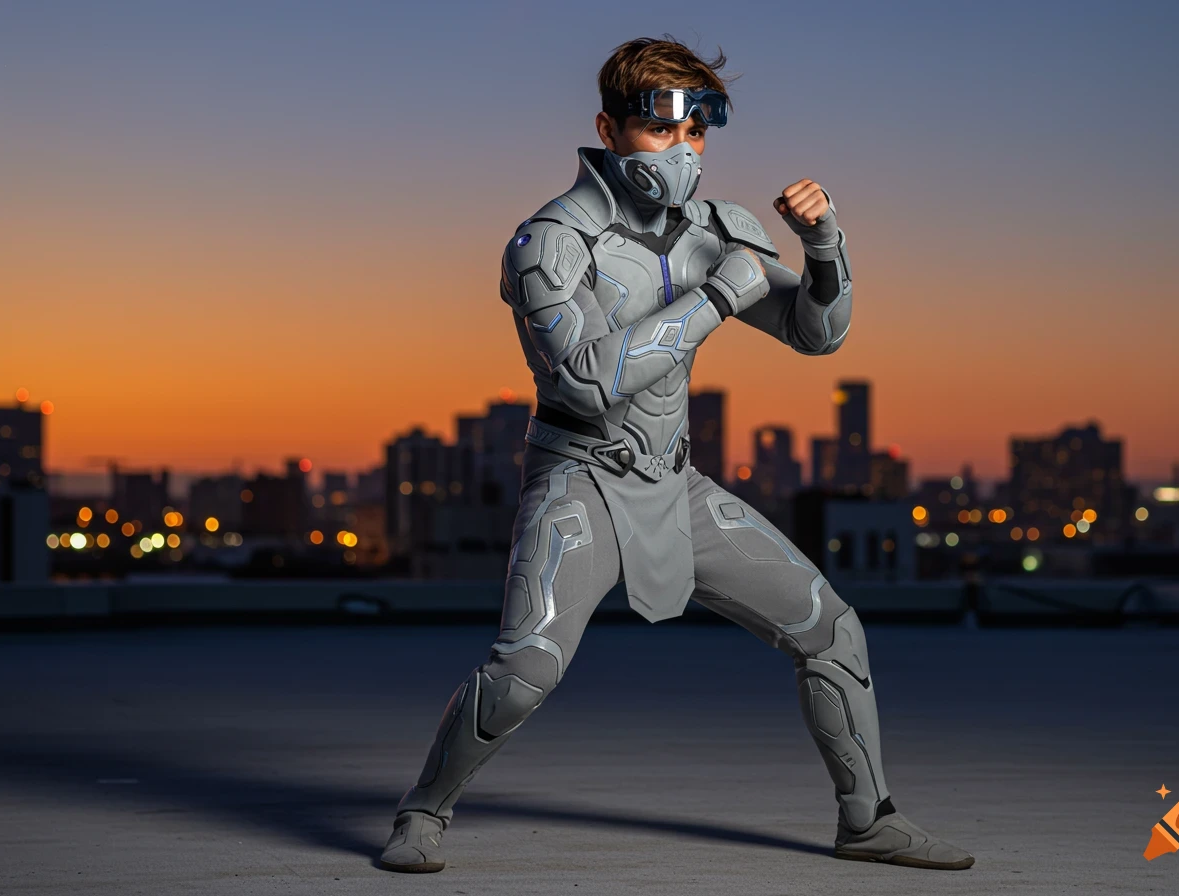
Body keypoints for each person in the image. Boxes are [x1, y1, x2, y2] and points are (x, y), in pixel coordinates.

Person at [379, 36, 974, 873]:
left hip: (674, 480)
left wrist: (824, 244)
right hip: (580, 477)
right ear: (609, 129)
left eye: (697, 131)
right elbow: (588, 380)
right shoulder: (551, 242)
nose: (683, 149)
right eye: (661, 128)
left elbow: (816, 334)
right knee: (524, 672)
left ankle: (867, 819)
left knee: (832, 630)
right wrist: (717, 297)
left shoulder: (713, 230)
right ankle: (423, 809)